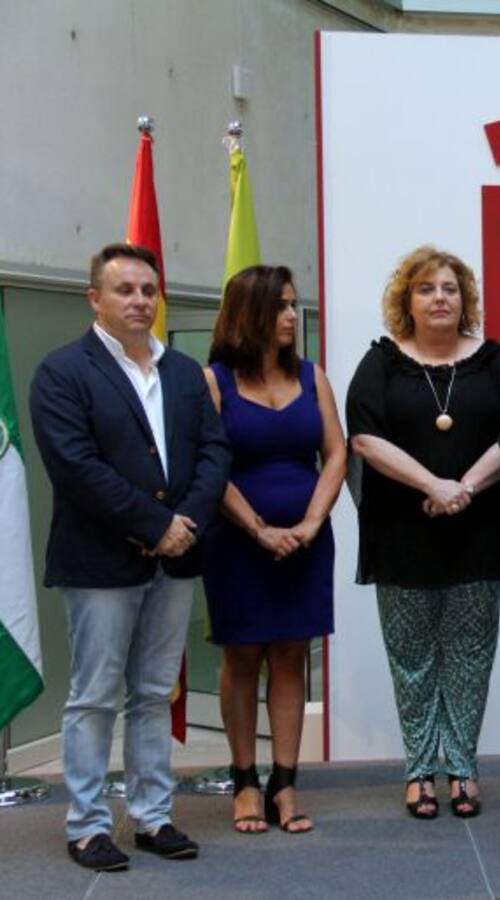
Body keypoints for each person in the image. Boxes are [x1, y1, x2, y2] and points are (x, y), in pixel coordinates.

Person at [28, 243, 230, 871]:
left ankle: (153, 817)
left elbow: (215, 453)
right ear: (95, 298)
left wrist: (181, 525)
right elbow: (76, 467)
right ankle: (88, 826)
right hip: (99, 563)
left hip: (174, 559)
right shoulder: (63, 372)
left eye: (148, 289)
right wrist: (154, 525)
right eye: (125, 290)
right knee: (93, 697)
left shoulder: (183, 373)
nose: (140, 300)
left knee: (152, 693)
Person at [346, 246, 500, 820]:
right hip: (401, 532)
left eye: (449, 288)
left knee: (470, 657)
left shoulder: (494, 360)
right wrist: (433, 486)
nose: (440, 297)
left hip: (479, 530)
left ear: (464, 300)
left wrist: (464, 487)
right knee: (412, 658)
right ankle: (420, 769)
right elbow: (364, 437)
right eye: (426, 288)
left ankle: (462, 767)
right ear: (407, 301)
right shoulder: (382, 361)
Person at [202, 265, 346, 834]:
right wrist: (258, 529)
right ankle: (244, 781)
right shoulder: (214, 381)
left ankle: (285, 784)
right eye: (281, 306)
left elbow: (336, 454)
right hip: (237, 542)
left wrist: (312, 521)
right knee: (242, 656)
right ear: (250, 312)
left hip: (307, 540)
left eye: (292, 304)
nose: (291, 316)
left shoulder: (313, 377)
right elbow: (209, 466)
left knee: (291, 654)